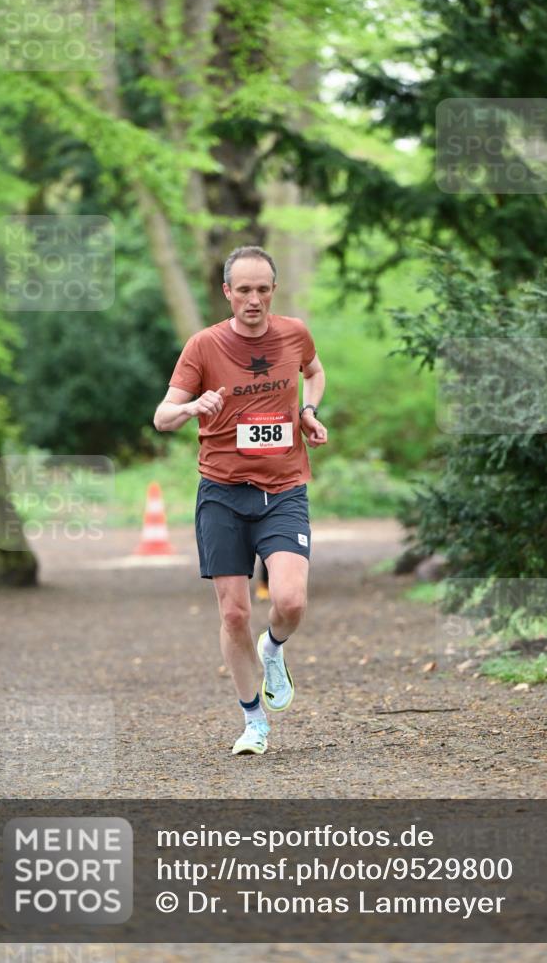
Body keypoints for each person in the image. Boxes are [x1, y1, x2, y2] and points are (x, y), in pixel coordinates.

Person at [154, 246, 327, 755]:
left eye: (263, 289)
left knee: (290, 601)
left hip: (284, 489)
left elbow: (314, 372)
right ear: (227, 291)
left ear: (274, 290)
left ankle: (272, 649)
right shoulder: (204, 345)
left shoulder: (294, 334)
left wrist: (308, 412)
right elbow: (161, 417)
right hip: (223, 495)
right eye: (244, 290)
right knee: (233, 614)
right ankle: (254, 722)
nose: (254, 299)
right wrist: (192, 406)